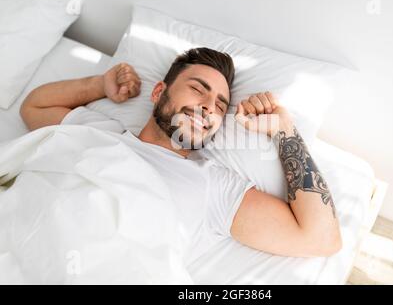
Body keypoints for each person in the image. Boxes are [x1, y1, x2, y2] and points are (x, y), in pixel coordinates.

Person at [20, 47, 341, 263]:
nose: (207, 107)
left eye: (219, 105)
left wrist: (284, 132)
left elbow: (320, 238)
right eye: (198, 89)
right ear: (159, 92)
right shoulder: (100, 131)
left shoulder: (214, 186)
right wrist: (100, 84)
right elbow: (33, 107)